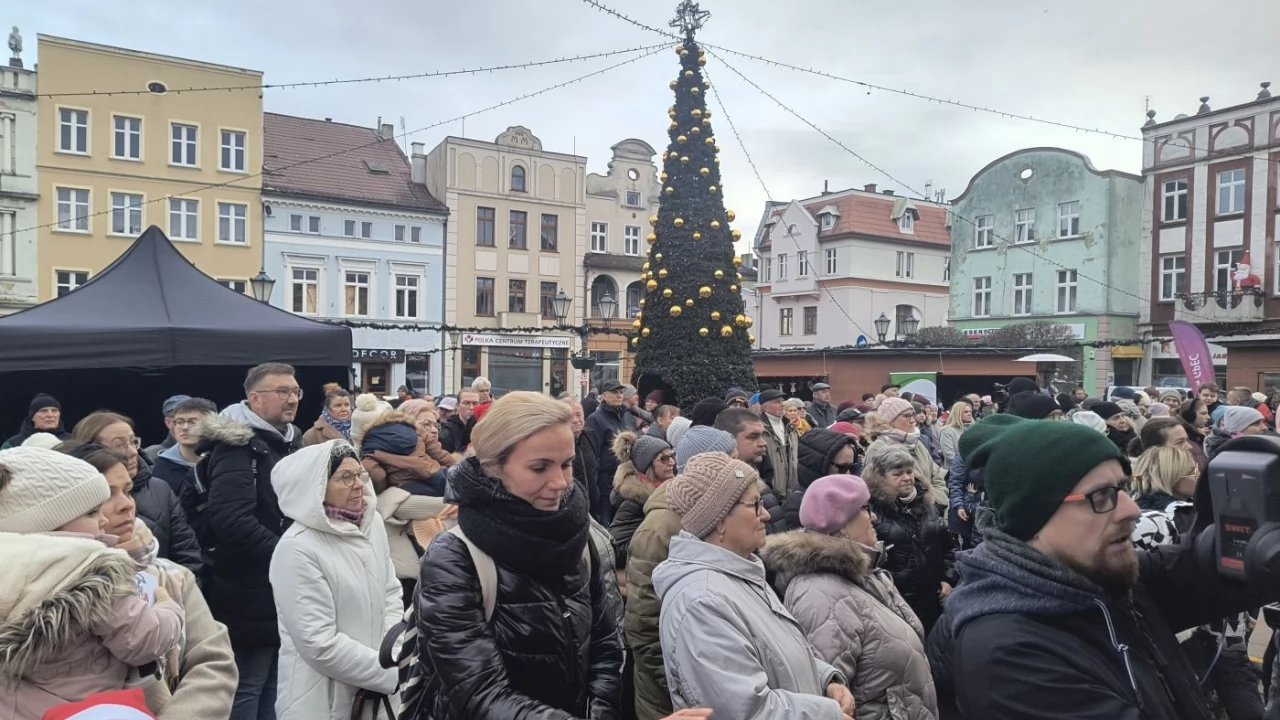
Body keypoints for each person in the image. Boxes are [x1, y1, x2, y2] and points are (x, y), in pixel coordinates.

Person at [929, 413, 1280, 719]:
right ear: (1033, 517)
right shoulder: (1009, 656)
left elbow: (1204, 566)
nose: (1132, 509)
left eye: (1123, 488)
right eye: (1101, 496)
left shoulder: (1100, 579)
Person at [414, 392, 622, 717]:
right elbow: (479, 693)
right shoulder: (455, 557)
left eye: (566, 464)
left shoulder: (577, 534)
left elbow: (605, 646)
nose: (560, 482)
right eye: (539, 467)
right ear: (493, 468)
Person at [653, 453, 855, 719]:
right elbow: (744, 711)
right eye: (755, 505)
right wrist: (827, 714)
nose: (767, 514)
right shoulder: (702, 601)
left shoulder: (740, 573)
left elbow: (773, 656)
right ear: (720, 520)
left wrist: (825, 680)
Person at [0, 447, 185, 720]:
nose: (104, 519)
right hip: (87, 709)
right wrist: (170, 608)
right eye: (91, 512)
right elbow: (142, 641)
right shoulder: (93, 569)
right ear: (50, 521)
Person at [60, 442, 238, 720]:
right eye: (106, 495)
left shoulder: (171, 577)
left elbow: (212, 662)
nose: (126, 505)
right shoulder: (37, 584)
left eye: (128, 491)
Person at [762, 474, 938, 719]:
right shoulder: (820, 595)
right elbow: (829, 699)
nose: (874, 517)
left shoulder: (865, 571)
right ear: (841, 526)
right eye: (865, 509)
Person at [193, 363, 304, 720]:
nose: (292, 399)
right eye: (282, 391)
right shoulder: (237, 446)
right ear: (254, 399)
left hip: (272, 582)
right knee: (249, 683)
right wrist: (288, 554)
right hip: (248, 584)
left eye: (295, 391)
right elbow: (232, 521)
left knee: (275, 680)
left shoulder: (286, 440)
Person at [270, 440, 401, 720]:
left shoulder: (371, 524)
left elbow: (390, 593)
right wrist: (390, 673)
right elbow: (318, 643)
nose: (359, 484)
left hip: (380, 693)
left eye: (359, 474)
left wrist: (392, 653)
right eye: (345, 477)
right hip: (322, 700)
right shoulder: (297, 548)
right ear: (316, 486)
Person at [628, 426, 737, 720]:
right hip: (671, 701)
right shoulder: (660, 527)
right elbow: (643, 623)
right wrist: (683, 685)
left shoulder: (719, 515)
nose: (740, 471)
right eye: (730, 462)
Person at [72, 412, 203, 577]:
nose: (133, 451)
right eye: (119, 444)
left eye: (134, 441)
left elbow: (188, 555)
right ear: (91, 449)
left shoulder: (160, 489)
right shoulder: (74, 497)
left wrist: (179, 588)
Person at [865, 398, 947, 507]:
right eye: (907, 416)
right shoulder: (878, 448)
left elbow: (936, 475)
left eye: (913, 415)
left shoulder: (917, 443)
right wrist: (917, 505)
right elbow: (878, 490)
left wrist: (936, 502)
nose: (913, 420)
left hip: (931, 511)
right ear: (890, 420)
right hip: (899, 513)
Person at [783, 428, 857, 531]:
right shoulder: (800, 507)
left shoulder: (839, 494)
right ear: (819, 465)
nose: (849, 474)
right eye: (843, 468)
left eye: (852, 467)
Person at [152, 398, 217, 494]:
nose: (185, 427)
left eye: (192, 422)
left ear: (211, 425)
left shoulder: (224, 460)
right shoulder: (159, 468)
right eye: (180, 422)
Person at [586, 379, 629, 524]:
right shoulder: (595, 419)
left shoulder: (622, 416)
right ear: (604, 395)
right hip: (605, 483)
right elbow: (592, 454)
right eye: (615, 392)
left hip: (621, 481)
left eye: (621, 392)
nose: (619, 395)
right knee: (604, 524)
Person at [758, 389, 800, 498]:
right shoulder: (759, 429)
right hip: (770, 490)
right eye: (777, 402)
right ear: (765, 407)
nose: (782, 405)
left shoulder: (790, 426)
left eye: (782, 401)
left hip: (792, 488)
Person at [1, 393, 71, 450]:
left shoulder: (72, 441)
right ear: (32, 417)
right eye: (43, 411)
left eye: (54, 411)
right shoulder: (13, 444)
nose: (50, 415)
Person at [143, 395, 192, 462]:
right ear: (168, 423)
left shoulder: (206, 453)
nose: (186, 426)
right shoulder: (152, 455)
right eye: (180, 420)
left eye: (192, 420)